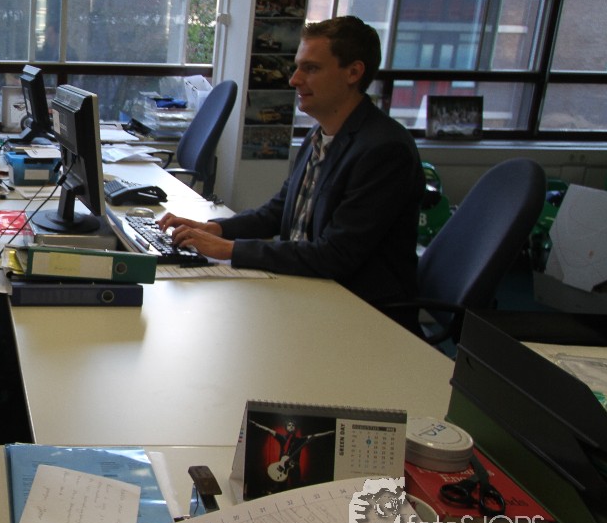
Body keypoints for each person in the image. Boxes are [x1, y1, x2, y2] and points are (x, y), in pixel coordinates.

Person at [158, 16, 425, 321]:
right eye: (298, 67)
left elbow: (335, 255)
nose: (294, 80)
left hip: (359, 313)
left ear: (353, 72)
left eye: (311, 69)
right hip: (308, 290)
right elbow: (278, 211)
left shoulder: (384, 150)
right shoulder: (319, 134)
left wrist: (229, 249)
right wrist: (215, 229)